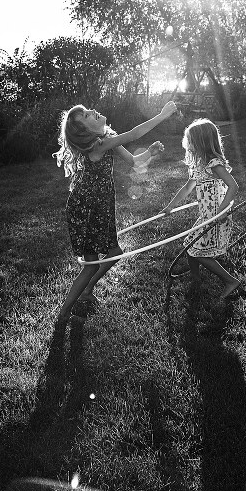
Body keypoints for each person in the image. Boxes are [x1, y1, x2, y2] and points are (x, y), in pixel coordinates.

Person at [53, 100, 178, 325]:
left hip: (97, 207)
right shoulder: (96, 146)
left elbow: (133, 161)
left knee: (112, 253)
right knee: (93, 264)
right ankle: (64, 314)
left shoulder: (106, 140)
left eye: (87, 110)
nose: (92, 111)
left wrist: (149, 153)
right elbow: (133, 134)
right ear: (85, 132)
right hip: (87, 209)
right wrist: (161, 115)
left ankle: (87, 291)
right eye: (86, 116)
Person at [161, 118, 240, 300]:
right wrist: (170, 207)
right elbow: (187, 189)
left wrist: (222, 211)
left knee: (199, 252)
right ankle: (196, 280)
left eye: (191, 141)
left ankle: (230, 281)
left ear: (201, 142)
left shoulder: (214, 164)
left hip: (216, 215)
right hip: (206, 215)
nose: (188, 145)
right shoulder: (198, 166)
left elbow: (233, 186)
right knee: (190, 245)